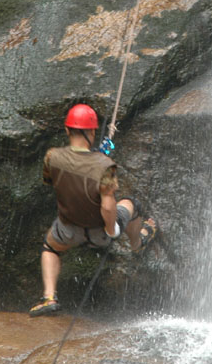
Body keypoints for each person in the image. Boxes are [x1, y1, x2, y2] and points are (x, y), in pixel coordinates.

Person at [29, 103, 157, 316]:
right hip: (100, 234)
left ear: (67, 130)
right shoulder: (105, 165)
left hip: (67, 230)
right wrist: (111, 230)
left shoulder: (52, 157)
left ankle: (49, 297)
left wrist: (92, 159)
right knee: (131, 204)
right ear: (92, 132)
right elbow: (107, 205)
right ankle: (137, 244)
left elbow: (57, 179)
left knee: (50, 248)